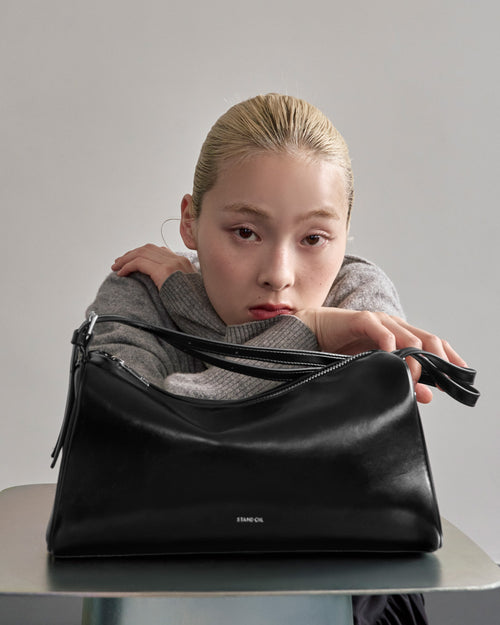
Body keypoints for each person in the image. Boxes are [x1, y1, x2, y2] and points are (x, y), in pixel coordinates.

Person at [87, 93, 465, 624]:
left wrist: (187, 298)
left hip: (348, 595)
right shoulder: (137, 292)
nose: (279, 275)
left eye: (314, 238)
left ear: (345, 234)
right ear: (190, 221)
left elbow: (356, 482)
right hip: (158, 588)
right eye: (246, 232)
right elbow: (137, 445)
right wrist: (306, 331)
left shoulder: (358, 295)